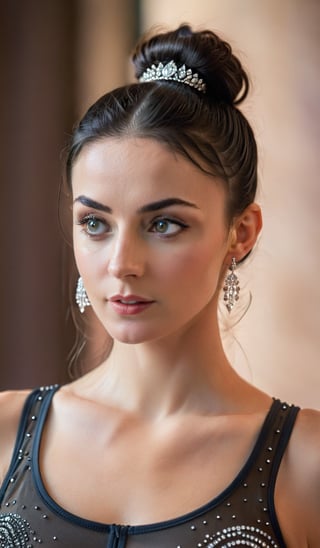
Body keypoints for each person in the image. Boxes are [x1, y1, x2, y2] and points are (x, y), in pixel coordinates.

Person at [0, 24, 319, 548]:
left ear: (241, 233)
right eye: (95, 223)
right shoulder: (10, 432)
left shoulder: (305, 463)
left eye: (164, 223)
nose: (122, 264)